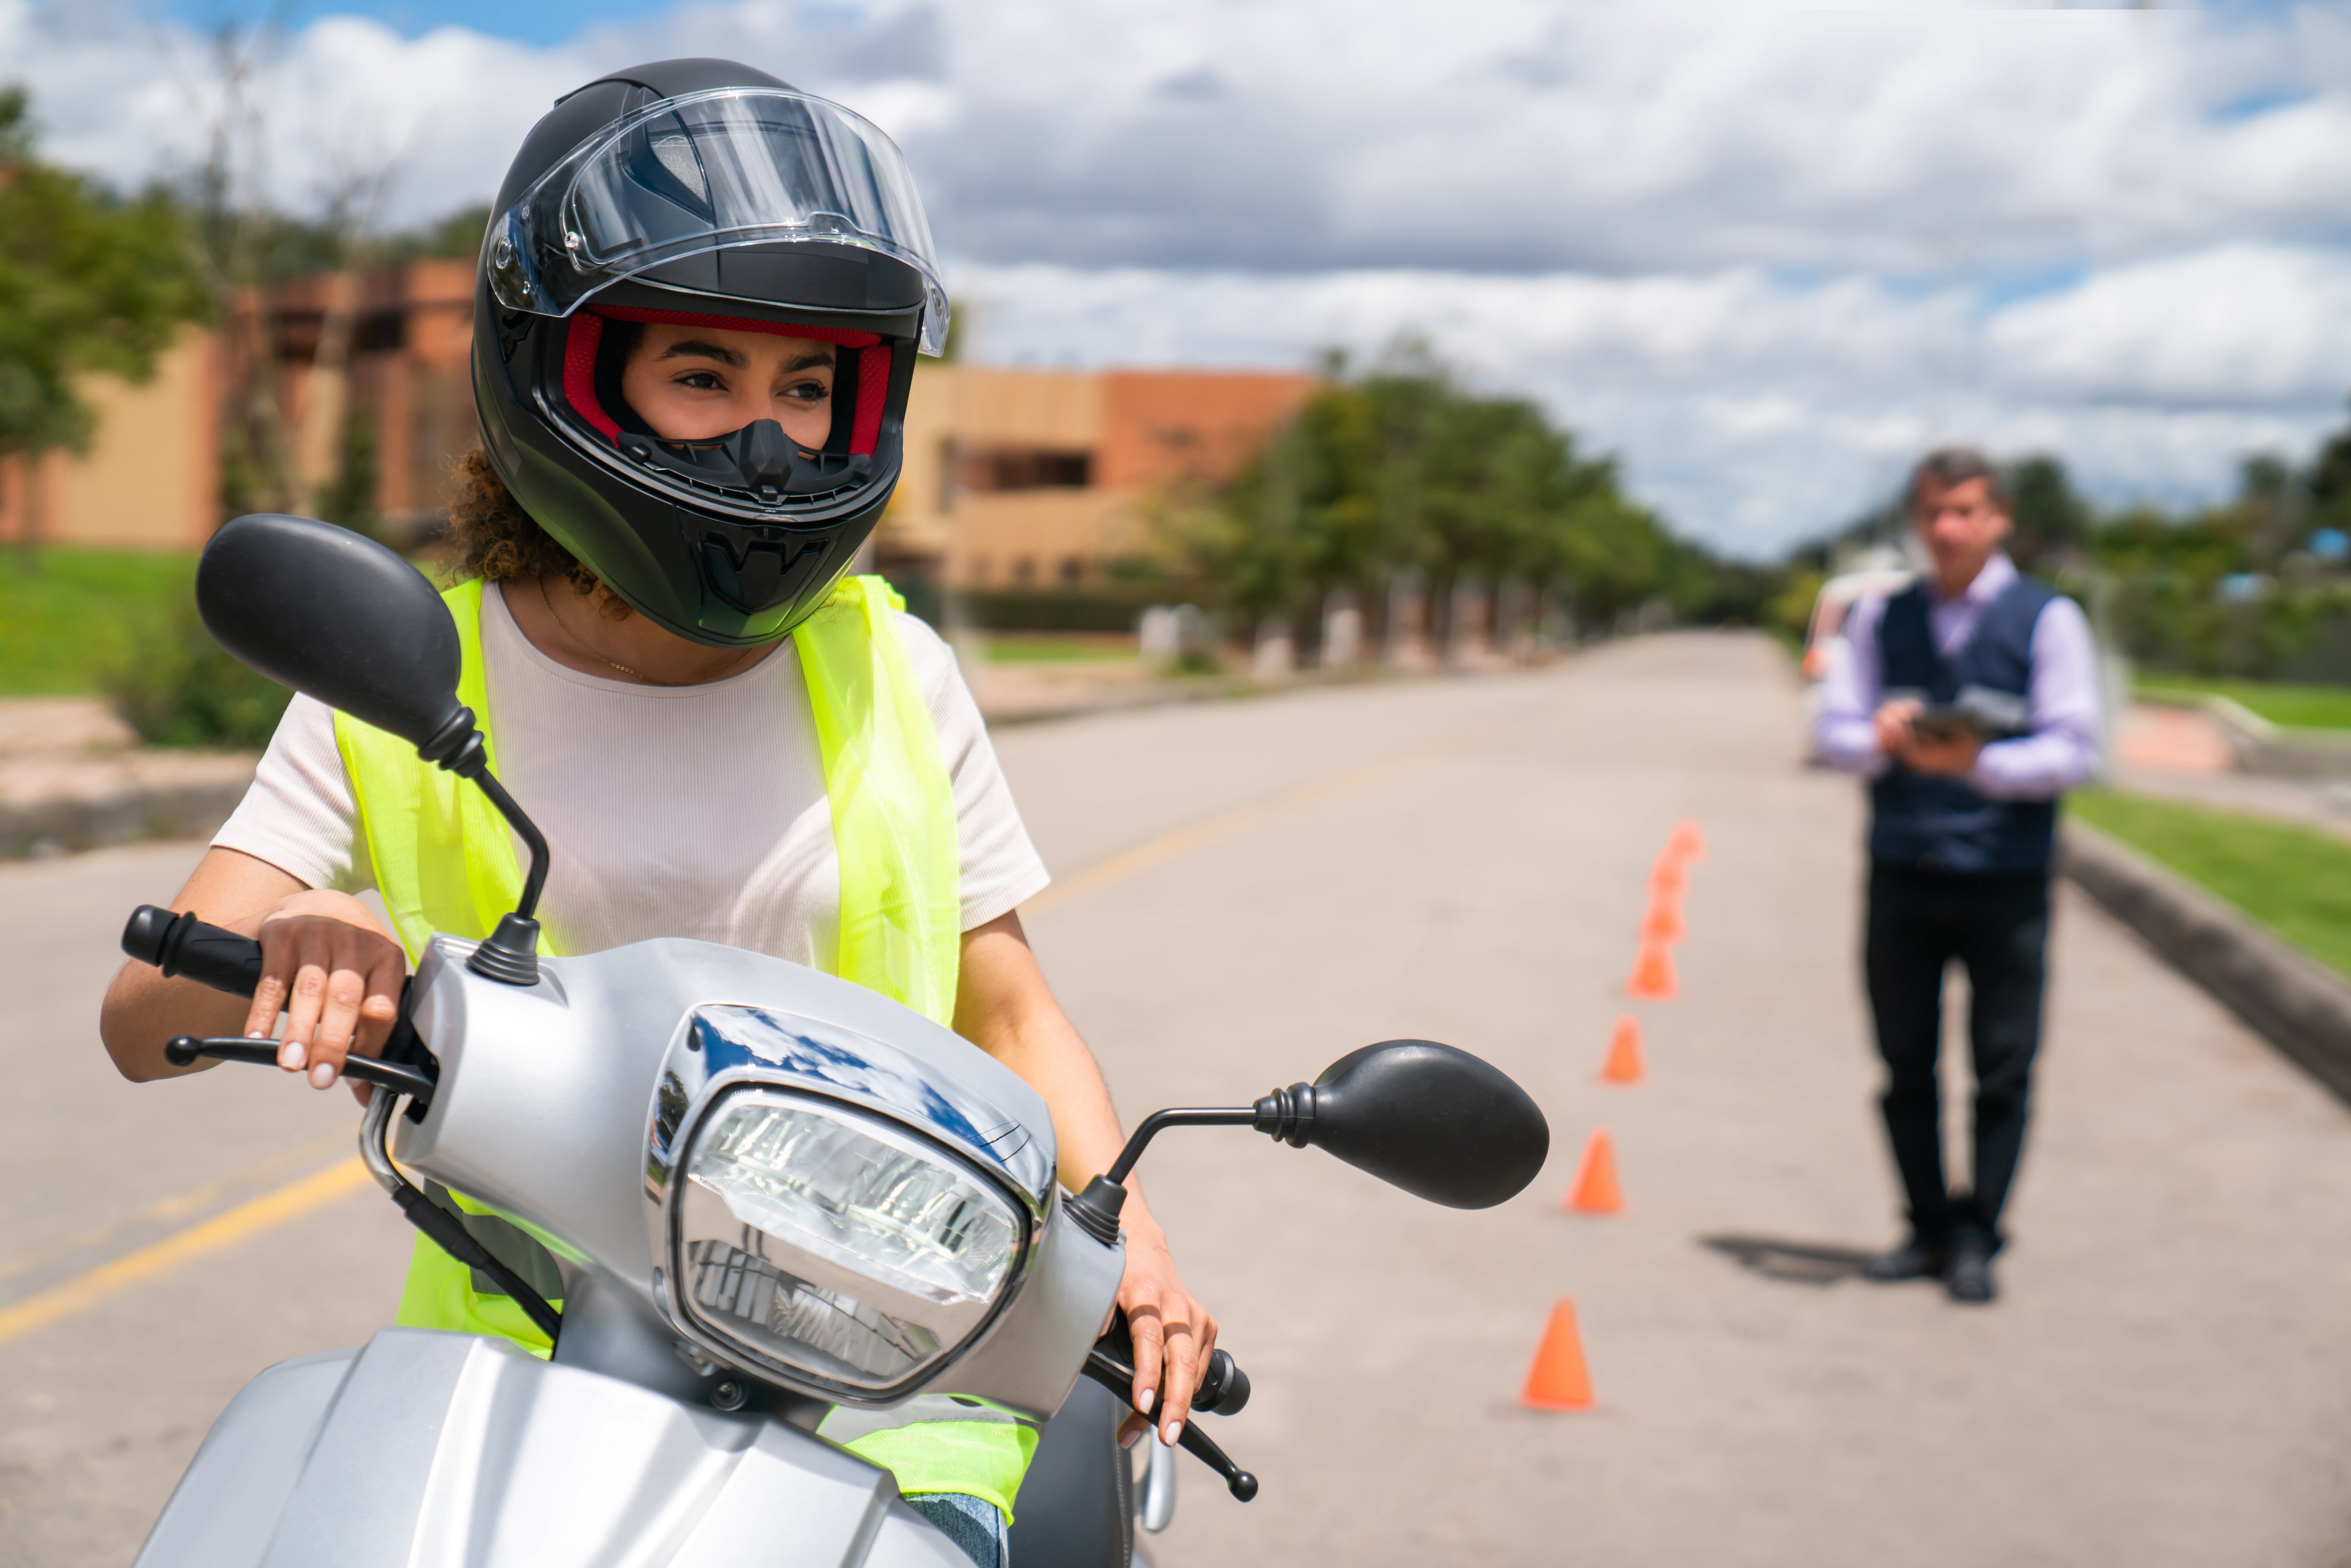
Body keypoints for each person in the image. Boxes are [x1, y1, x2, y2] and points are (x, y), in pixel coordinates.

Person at [96, 59, 1210, 1567]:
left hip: (889, 1379)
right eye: (702, 376)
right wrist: (311, 927)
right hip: (522, 1364)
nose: (768, 439)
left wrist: (1130, 1237)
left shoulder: (893, 670)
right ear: (563, 367)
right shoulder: (414, 670)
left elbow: (1009, 1010)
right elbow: (143, 1018)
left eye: (807, 389)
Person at [1813, 448, 2101, 1305]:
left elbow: (2074, 747)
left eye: (1965, 511)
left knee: (2002, 1066)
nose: (1947, 529)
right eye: (1933, 512)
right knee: (1904, 1061)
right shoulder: (1880, 615)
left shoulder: (2048, 618)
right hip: (1903, 868)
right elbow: (1834, 733)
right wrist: (1882, 738)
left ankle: (1980, 1232)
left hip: (2004, 876)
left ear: (1999, 518)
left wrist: (1979, 763)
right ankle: (1924, 1223)